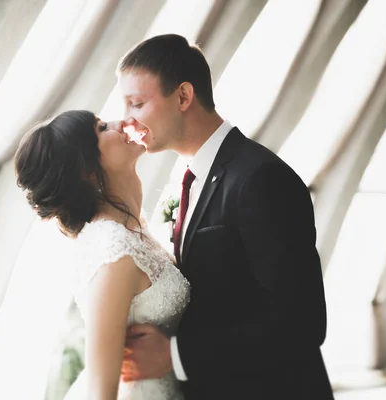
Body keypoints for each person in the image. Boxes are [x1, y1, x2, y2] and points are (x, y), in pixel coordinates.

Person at [119, 34, 334, 399]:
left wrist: (174, 354)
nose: (127, 120)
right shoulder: (189, 180)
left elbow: (302, 323)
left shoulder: (260, 178)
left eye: (137, 103)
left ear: (184, 96)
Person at [14, 109, 190, 399]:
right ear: (87, 169)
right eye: (102, 128)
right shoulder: (112, 252)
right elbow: (100, 392)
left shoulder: (131, 230)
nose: (121, 123)